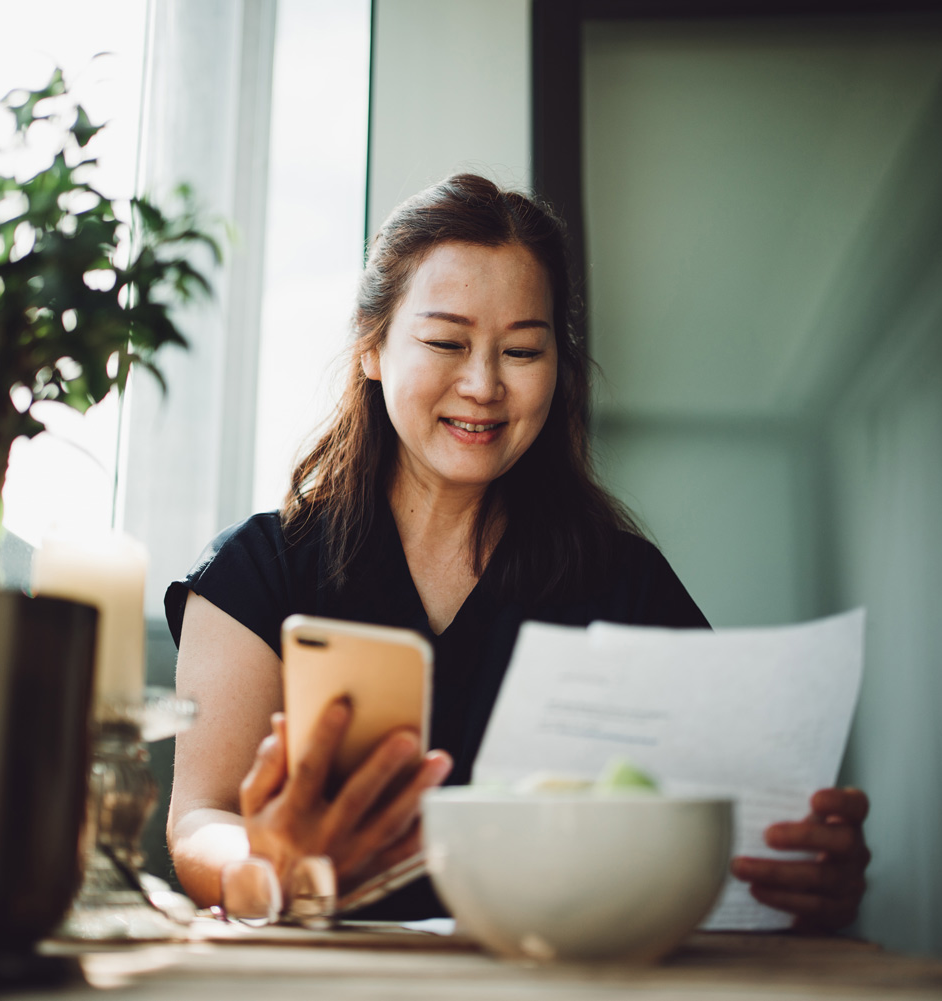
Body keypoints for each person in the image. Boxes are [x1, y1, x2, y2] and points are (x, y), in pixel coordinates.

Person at [165, 173, 870, 928]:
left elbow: (720, 831)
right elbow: (200, 815)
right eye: (446, 342)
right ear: (372, 350)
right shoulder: (259, 569)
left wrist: (799, 865)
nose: (483, 384)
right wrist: (266, 868)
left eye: (523, 351)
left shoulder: (625, 584)